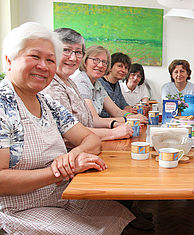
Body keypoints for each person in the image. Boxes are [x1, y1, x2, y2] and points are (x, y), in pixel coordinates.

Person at [0, 22, 136, 234]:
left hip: (61, 194)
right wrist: (60, 171)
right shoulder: (3, 104)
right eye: (35, 57)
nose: (44, 66)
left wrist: (72, 158)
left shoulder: (46, 102)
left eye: (50, 60)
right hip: (20, 208)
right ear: (9, 61)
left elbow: (91, 139)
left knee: (119, 212)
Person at [42, 28, 133, 141]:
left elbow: (91, 120)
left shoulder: (71, 82)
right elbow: (69, 133)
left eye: (78, 52)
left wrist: (125, 120)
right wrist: (114, 130)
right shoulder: (55, 85)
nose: (73, 57)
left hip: (89, 143)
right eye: (66, 50)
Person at [71, 45, 147, 124]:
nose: (100, 65)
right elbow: (94, 120)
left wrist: (133, 116)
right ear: (85, 61)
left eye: (104, 62)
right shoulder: (81, 83)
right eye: (95, 60)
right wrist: (129, 119)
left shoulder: (97, 84)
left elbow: (116, 112)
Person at [99, 52, 138, 118]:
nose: (124, 70)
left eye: (126, 68)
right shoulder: (99, 83)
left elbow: (123, 103)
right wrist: (123, 111)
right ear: (110, 67)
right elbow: (101, 113)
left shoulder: (116, 83)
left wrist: (131, 109)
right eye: (120, 66)